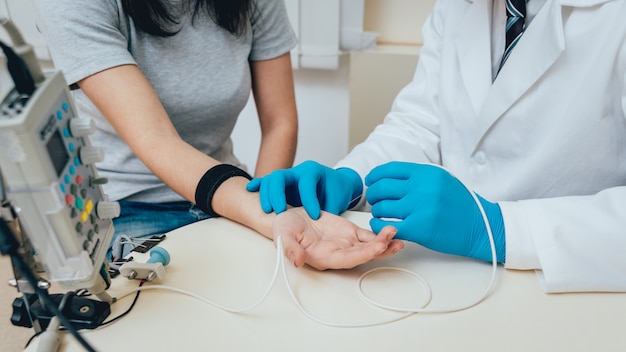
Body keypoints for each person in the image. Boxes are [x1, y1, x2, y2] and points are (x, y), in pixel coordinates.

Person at [246, 0, 626, 292]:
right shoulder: (461, 6)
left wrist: (500, 228)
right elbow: (421, 125)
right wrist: (353, 179)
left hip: (574, 290)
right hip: (449, 278)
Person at [32, 0, 404, 269]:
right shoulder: (71, 5)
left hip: (229, 191)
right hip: (127, 203)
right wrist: (265, 217)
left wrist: (268, 205)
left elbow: (280, 122)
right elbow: (156, 139)